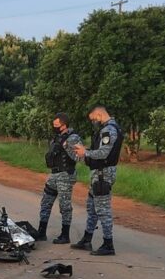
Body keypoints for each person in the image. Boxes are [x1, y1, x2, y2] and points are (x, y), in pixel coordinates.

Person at [72, 105, 123, 256]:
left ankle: (108, 244)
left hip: (103, 174)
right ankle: (87, 239)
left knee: (103, 209)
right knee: (92, 207)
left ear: (99, 114)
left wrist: (85, 152)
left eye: (93, 119)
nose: (93, 122)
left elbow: (103, 153)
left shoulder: (109, 130)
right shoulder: (107, 129)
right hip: (98, 174)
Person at [37, 112, 82, 244]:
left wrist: (66, 146)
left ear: (63, 125)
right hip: (54, 174)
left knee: (64, 205)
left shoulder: (73, 138)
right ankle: (41, 232)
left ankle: (65, 235)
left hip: (65, 175)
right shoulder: (56, 137)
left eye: (56, 125)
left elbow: (79, 157)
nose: (54, 127)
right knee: (46, 202)